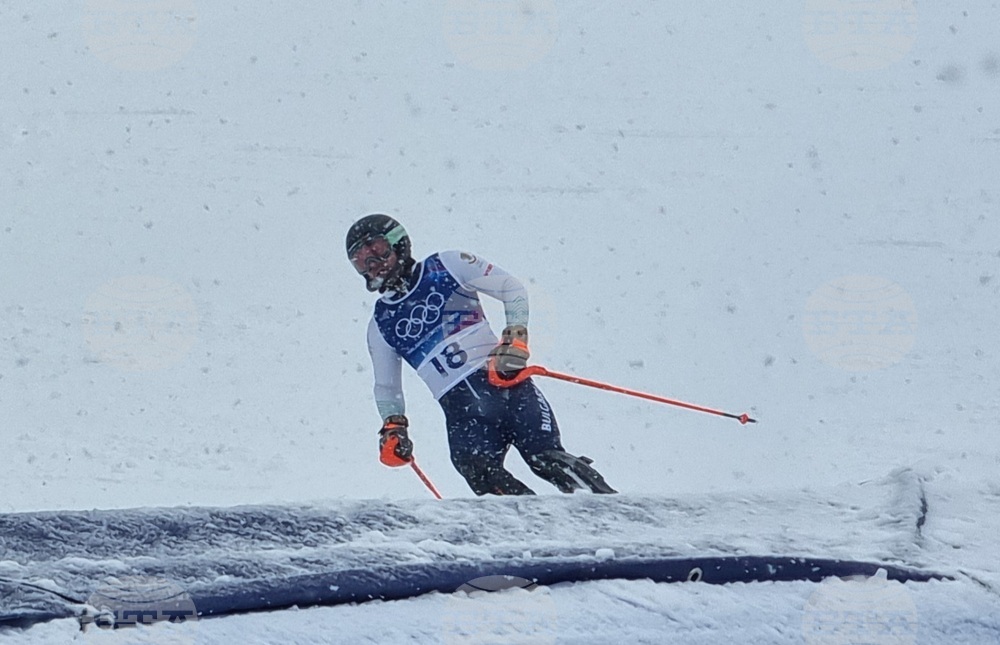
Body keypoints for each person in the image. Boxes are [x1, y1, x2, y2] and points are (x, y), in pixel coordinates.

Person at [346, 213, 616, 496]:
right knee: (475, 468)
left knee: (547, 459)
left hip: (505, 385)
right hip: (463, 414)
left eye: (377, 250)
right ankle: (530, 528)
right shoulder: (380, 323)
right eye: (362, 261)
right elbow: (386, 386)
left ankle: (609, 507)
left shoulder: (446, 265)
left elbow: (511, 288)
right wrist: (393, 425)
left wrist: (516, 337)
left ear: (398, 243)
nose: (373, 264)